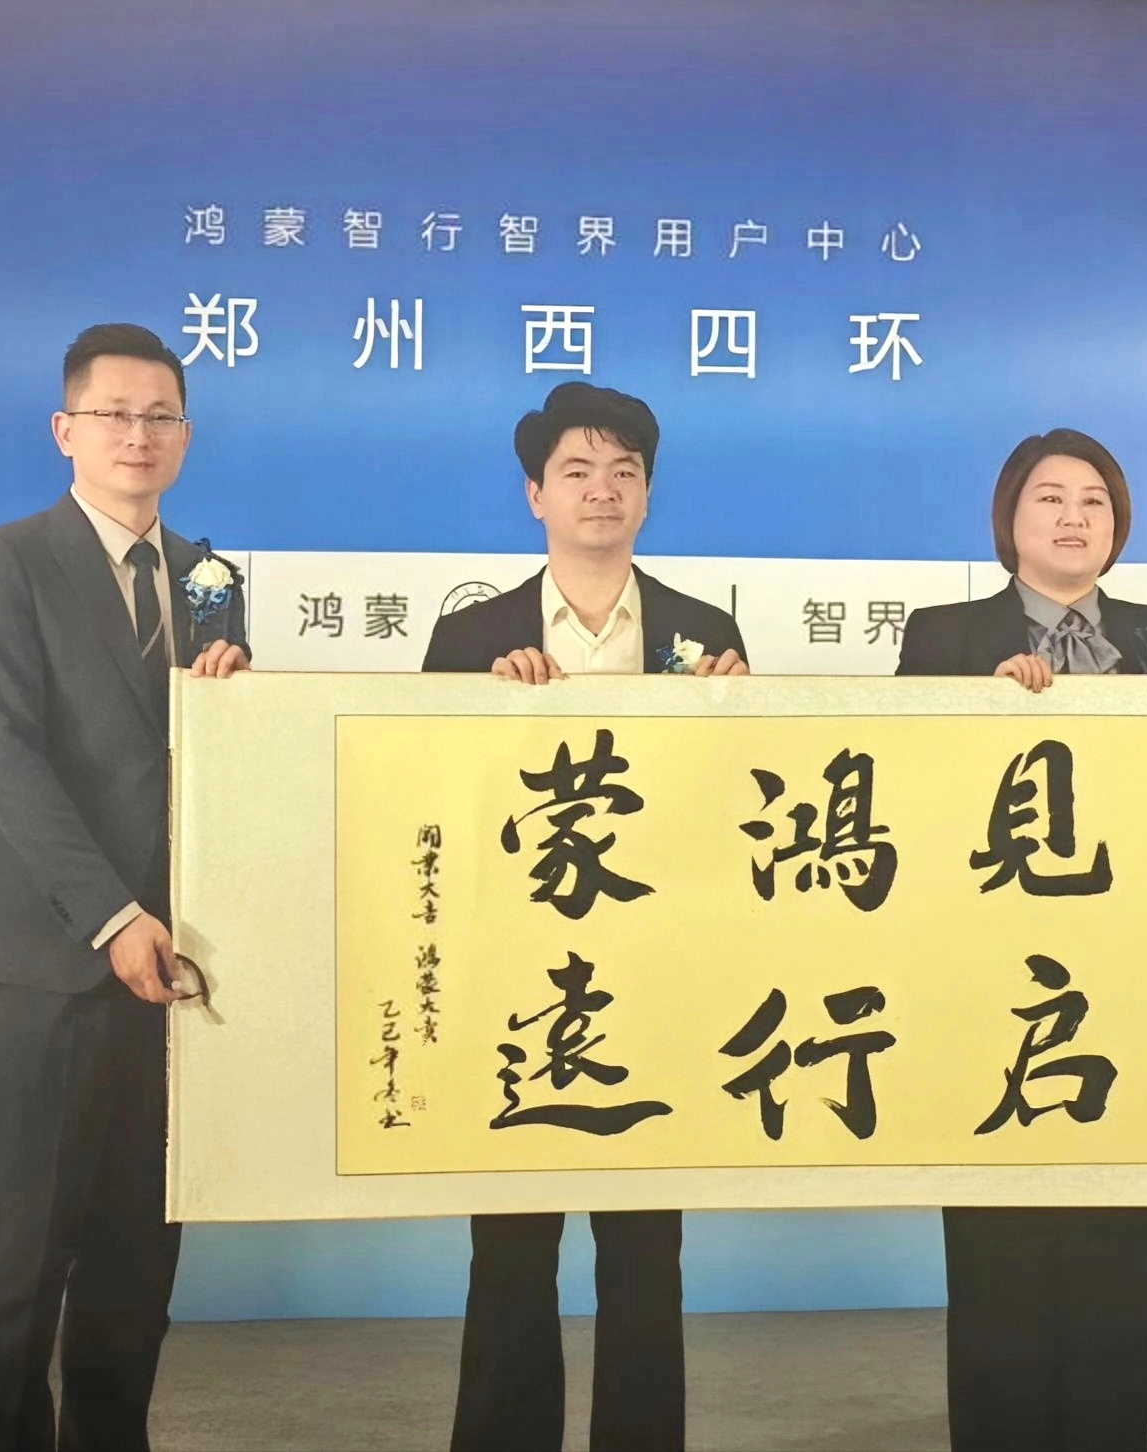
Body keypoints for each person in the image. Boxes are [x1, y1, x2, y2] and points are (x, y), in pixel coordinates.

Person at [0, 323, 250, 1452]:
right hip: (44, 959)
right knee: (25, 1254)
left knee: (137, 1253)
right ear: (65, 430)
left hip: (172, 962)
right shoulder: (3, 562)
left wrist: (239, 709)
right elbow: (8, 758)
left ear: (186, 436)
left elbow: (215, 767)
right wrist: (113, 916)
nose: (137, 434)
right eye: (114, 414)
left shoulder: (212, 580)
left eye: (160, 415)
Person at [897, 428, 1147, 1452]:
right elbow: (899, 792)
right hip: (992, 984)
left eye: (1094, 500)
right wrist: (976, 713)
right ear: (1008, 519)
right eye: (1049, 498)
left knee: (1123, 1242)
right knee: (996, 1253)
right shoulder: (944, 637)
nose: (1073, 516)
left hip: (1128, 982)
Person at [422, 381, 746, 1452]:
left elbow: (736, 815)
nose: (601, 490)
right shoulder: (472, 636)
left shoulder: (705, 635)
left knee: (646, 1253)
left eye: (623, 472)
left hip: (654, 980)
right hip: (516, 985)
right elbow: (428, 809)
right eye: (576, 471)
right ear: (535, 495)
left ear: (647, 494)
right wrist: (487, 718)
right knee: (509, 1250)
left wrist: (741, 718)